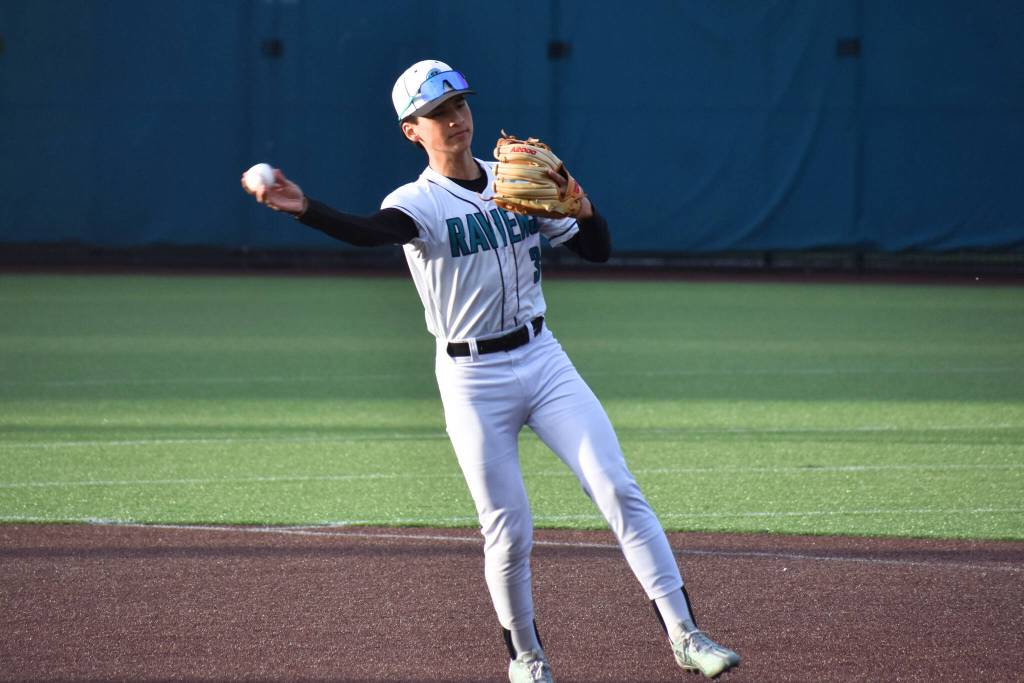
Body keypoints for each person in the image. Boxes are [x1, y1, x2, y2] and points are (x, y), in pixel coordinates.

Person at [241, 59, 740, 682]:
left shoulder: (516, 179)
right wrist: (305, 209)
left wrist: (584, 207)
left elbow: (597, 251)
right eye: (436, 113)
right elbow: (370, 232)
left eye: (459, 105)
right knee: (508, 529)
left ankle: (685, 635)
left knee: (616, 486)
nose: (454, 119)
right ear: (411, 131)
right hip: (472, 379)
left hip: (543, 358)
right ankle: (526, 658)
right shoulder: (416, 203)